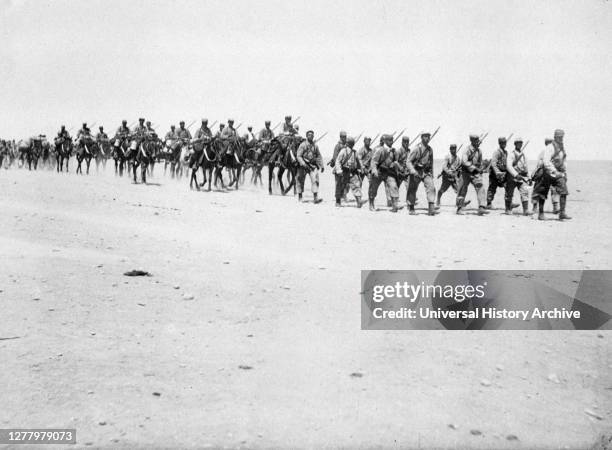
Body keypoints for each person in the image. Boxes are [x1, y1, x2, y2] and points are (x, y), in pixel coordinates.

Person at [531, 129, 571, 220]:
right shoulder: (550, 147)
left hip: (559, 173)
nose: (561, 139)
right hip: (548, 173)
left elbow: (564, 160)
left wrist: (564, 172)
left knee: (563, 190)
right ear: (555, 137)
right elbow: (546, 161)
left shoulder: (562, 148)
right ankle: (541, 214)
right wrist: (554, 171)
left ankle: (562, 213)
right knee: (542, 192)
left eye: (562, 137)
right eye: (559, 137)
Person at [406, 132, 437, 215]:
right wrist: (413, 171)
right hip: (416, 171)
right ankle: (411, 208)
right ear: (422, 138)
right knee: (412, 189)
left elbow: (431, 162)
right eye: (426, 137)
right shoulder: (416, 148)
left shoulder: (430, 149)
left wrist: (431, 173)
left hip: (426, 172)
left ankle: (431, 207)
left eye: (428, 137)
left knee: (431, 187)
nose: (427, 138)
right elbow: (408, 162)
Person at [456, 134, 487, 215]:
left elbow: (480, 162)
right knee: (462, 189)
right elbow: (464, 161)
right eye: (476, 140)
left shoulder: (479, 151)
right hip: (465, 172)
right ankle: (459, 208)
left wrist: (480, 169)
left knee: (480, 187)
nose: (478, 142)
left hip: (475, 173)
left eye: (478, 140)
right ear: (472, 141)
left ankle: (481, 207)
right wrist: (475, 168)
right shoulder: (467, 150)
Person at [368, 134, 400, 212]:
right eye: (389, 140)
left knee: (394, 187)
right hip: (379, 172)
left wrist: (395, 165)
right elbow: (374, 161)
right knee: (373, 189)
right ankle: (371, 204)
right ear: (385, 141)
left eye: (392, 140)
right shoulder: (380, 150)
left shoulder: (394, 151)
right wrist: (374, 171)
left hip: (388, 173)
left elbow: (395, 161)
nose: (391, 142)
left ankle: (394, 206)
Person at [333, 136, 364, 207]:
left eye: (352, 143)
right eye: (351, 143)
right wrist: (339, 170)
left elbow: (358, 161)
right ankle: (338, 201)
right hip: (343, 172)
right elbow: (338, 161)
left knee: (356, 185)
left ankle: (359, 200)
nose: (352, 145)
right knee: (339, 186)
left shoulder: (355, 152)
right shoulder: (343, 151)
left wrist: (361, 169)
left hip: (352, 172)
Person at [296, 130, 324, 203]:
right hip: (303, 166)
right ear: (306, 136)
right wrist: (303, 163)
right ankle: (300, 196)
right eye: (309, 135)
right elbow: (298, 156)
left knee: (315, 180)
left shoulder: (315, 146)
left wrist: (322, 165)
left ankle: (315, 197)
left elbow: (319, 156)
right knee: (300, 180)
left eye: (312, 135)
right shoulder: (302, 145)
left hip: (312, 166)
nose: (311, 136)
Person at [505, 137, 531, 215]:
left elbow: (526, 167)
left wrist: (529, 177)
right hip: (512, 177)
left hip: (522, 177)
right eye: (518, 143)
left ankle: (525, 210)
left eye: (520, 143)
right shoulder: (511, 154)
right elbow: (508, 166)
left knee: (525, 192)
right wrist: (516, 175)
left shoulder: (523, 155)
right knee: (509, 193)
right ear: (515, 144)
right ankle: (508, 209)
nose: (519, 144)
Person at [486, 137, 509, 209]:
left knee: (508, 187)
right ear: (499, 144)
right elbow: (493, 163)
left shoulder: (506, 152)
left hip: (503, 173)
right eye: (502, 143)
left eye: (505, 143)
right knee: (492, 188)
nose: (504, 144)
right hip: (494, 174)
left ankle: (509, 203)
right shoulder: (497, 152)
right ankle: (489, 204)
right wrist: (497, 172)